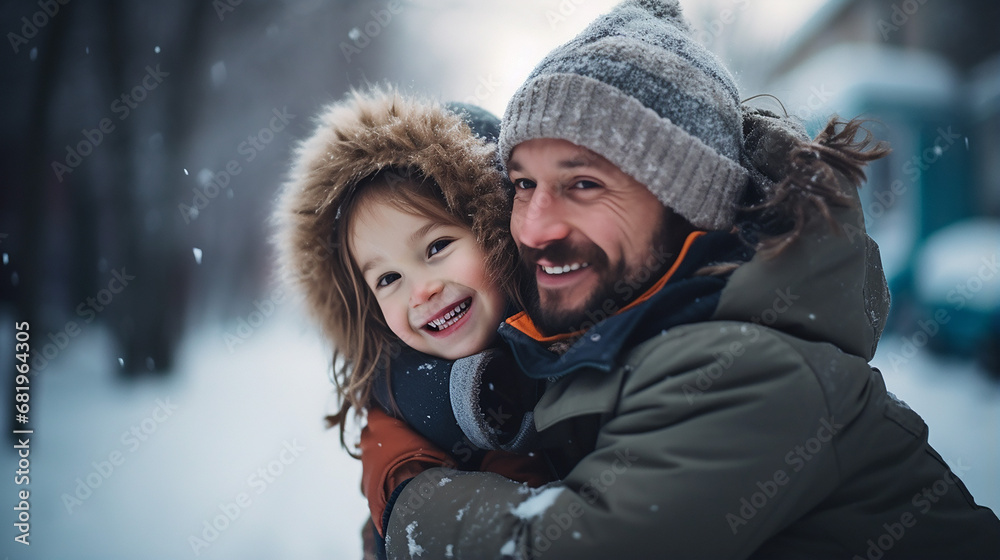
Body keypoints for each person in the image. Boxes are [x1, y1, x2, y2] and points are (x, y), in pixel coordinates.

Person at [363, 0, 1000, 557]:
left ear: (685, 202)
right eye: (524, 185)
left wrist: (407, 497)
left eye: (583, 184)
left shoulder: (747, 364)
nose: (531, 229)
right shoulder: (615, 322)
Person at [273, 87, 550, 552]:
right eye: (388, 278)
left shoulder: (577, 342)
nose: (421, 290)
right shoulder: (398, 406)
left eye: (437, 247)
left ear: (498, 228)